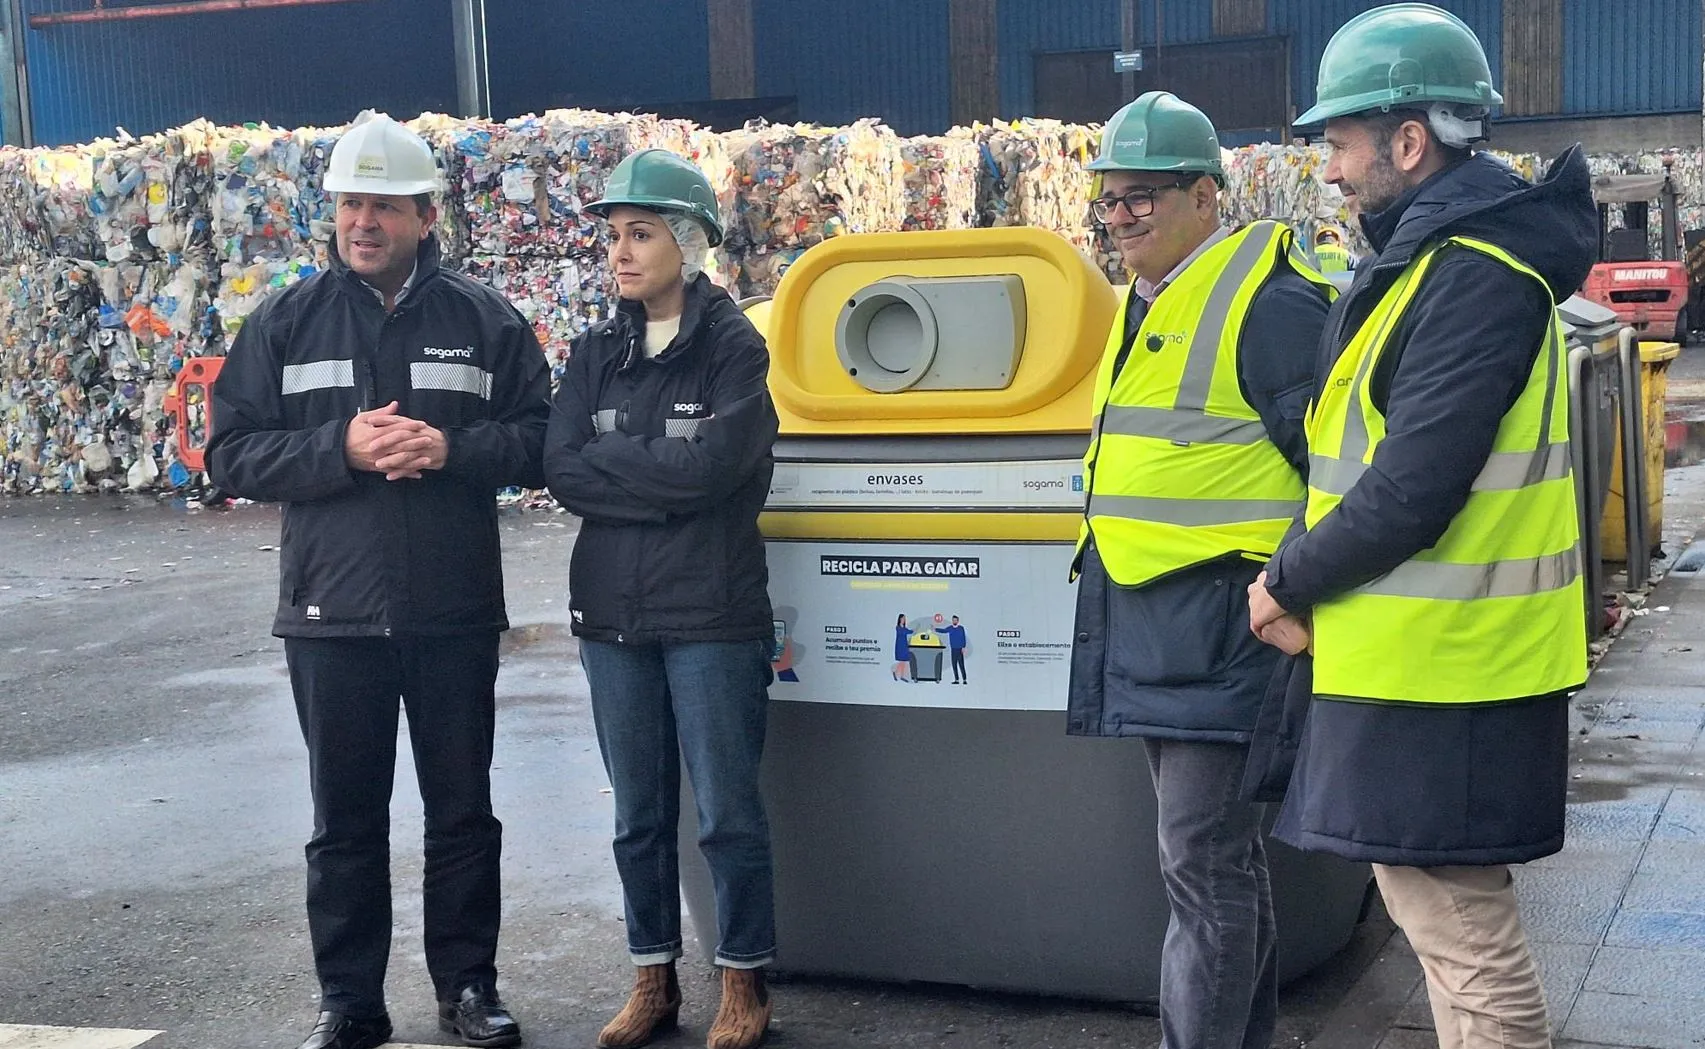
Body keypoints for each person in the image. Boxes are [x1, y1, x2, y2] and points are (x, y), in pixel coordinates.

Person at [1246, 6, 1596, 1048]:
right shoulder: (1436, 262)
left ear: (1408, 142)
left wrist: (1286, 578)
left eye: (1342, 145)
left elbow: (1411, 486)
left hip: (1450, 671)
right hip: (1420, 663)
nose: (1333, 171)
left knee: (1460, 932)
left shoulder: (1472, 273)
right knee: (1441, 919)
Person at [207, 112, 548, 1049]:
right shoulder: (284, 320)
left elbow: (542, 438)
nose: (364, 221)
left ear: (426, 214)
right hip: (330, 613)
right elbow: (228, 453)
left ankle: (467, 990)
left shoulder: (484, 320)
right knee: (344, 823)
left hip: (451, 607)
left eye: (385, 206)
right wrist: (340, 447)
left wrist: (449, 447)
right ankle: (350, 1002)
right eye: (352, 202)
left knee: (462, 812)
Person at [1066, 91, 1334, 1049]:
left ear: (1206, 196)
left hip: (1229, 633)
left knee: (1200, 866)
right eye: (1110, 197)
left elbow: (1339, 470)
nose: (1122, 213)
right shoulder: (1151, 299)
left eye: (1144, 194)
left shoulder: (1266, 303)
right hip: (1162, 631)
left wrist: (1293, 591)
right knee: (1218, 864)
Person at [541, 148, 780, 1049]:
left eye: (640, 233)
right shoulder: (596, 350)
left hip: (711, 615)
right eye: (612, 236)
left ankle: (744, 982)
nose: (621, 252)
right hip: (611, 615)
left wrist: (620, 468)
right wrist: (665, 479)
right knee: (636, 813)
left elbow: (723, 465)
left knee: (725, 811)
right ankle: (652, 978)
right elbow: (561, 467)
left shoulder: (734, 348)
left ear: (689, 239)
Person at [945, 615, 968, 684]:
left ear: (957, 621)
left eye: (955, 620)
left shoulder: (961, 628)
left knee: (961, 665)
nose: (954, 621)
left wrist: (963, 647)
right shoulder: (950, 628)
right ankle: (956, 680)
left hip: (960, 649)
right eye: (953, 620)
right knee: (954, 664)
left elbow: (963, 637)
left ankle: (964, 679)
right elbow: (943, 631)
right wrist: (935, 629)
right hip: (953, 649)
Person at [893, 613, 914, 682]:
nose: (904, 620)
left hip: (905, 645)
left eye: (904, 619)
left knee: (904, 661)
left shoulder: (904, 628)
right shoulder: (898, 628)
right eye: (902, 618)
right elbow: (905, 632)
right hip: (900, 645)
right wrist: (912, 631)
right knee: (902, 660)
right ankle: (896, 673)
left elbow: (907, 632)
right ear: (899, 619)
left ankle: (901, 675)